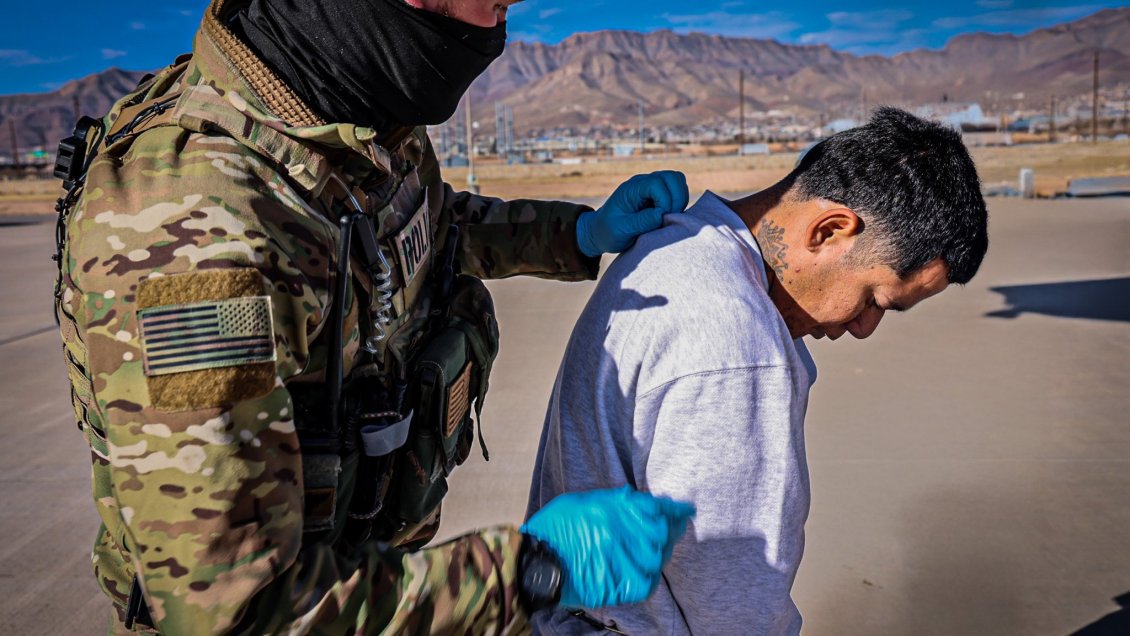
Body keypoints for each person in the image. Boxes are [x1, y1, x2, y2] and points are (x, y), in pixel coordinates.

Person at [52, 0, 696, 633]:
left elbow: (426, 225)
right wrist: (531, 573)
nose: (513, 4)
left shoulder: (349, 107)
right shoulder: (198, 238)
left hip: (377, 577)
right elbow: (234, 614)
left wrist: (579, 232)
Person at [526, 107, 989, 635]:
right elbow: (732, 599)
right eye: (874, 298)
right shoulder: (736, 344)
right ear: (830, 229)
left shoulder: (674, 243)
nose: (864, 327)